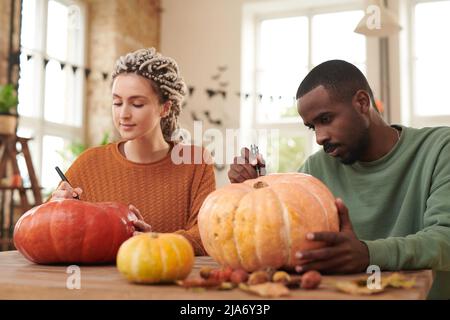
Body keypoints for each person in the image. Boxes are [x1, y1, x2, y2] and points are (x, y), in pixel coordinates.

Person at [228, 60, 450, 299]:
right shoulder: (315, 168)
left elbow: (444, 239)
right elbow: (283, 236)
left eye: (326, 119)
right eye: (312, 127)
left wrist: (367, 254)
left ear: (362, 103)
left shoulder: (440, 149)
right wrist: (253, 191)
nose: (320, 138)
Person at [51, 48, 216, 255]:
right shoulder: (89, 163)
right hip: (99, 285)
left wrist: (154, 242)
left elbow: (206, 235)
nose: (124, 114)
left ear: (165, 108)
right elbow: (51, 235)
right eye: (117, 103)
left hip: (172, 282)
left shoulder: (195, 163)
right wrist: (56, 209)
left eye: (137, 104)